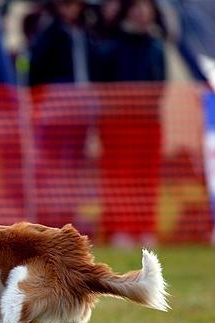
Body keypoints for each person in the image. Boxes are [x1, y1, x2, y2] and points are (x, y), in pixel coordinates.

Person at [98, 0, 166, 246]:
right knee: (120, 176)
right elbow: (103, 86)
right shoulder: (111, 47)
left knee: (146, 176)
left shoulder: (156, 46)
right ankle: (120, 228)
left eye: (146, 8)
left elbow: (161, 84)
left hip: (149, 123)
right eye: (137, 7)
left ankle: (145, 228)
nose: (142, 13)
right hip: (118, 124)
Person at [28, 0, 99, 228]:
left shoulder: (85, 32)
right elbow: (36, 67)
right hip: (56, 106)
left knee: (74, 164)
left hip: (82, 105)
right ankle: (52, 214)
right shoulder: (49, 31)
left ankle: (69, 213)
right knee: (54, 162)